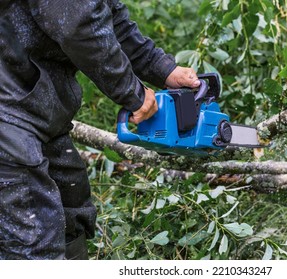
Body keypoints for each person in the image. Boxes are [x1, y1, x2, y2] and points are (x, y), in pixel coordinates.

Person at [0, 0, 200, 260]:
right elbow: (80, 27)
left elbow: (108, 18)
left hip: (32, 105)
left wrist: (162, 68)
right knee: (34, 242)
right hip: (10, 111)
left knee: (71, 214)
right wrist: (134, 92)